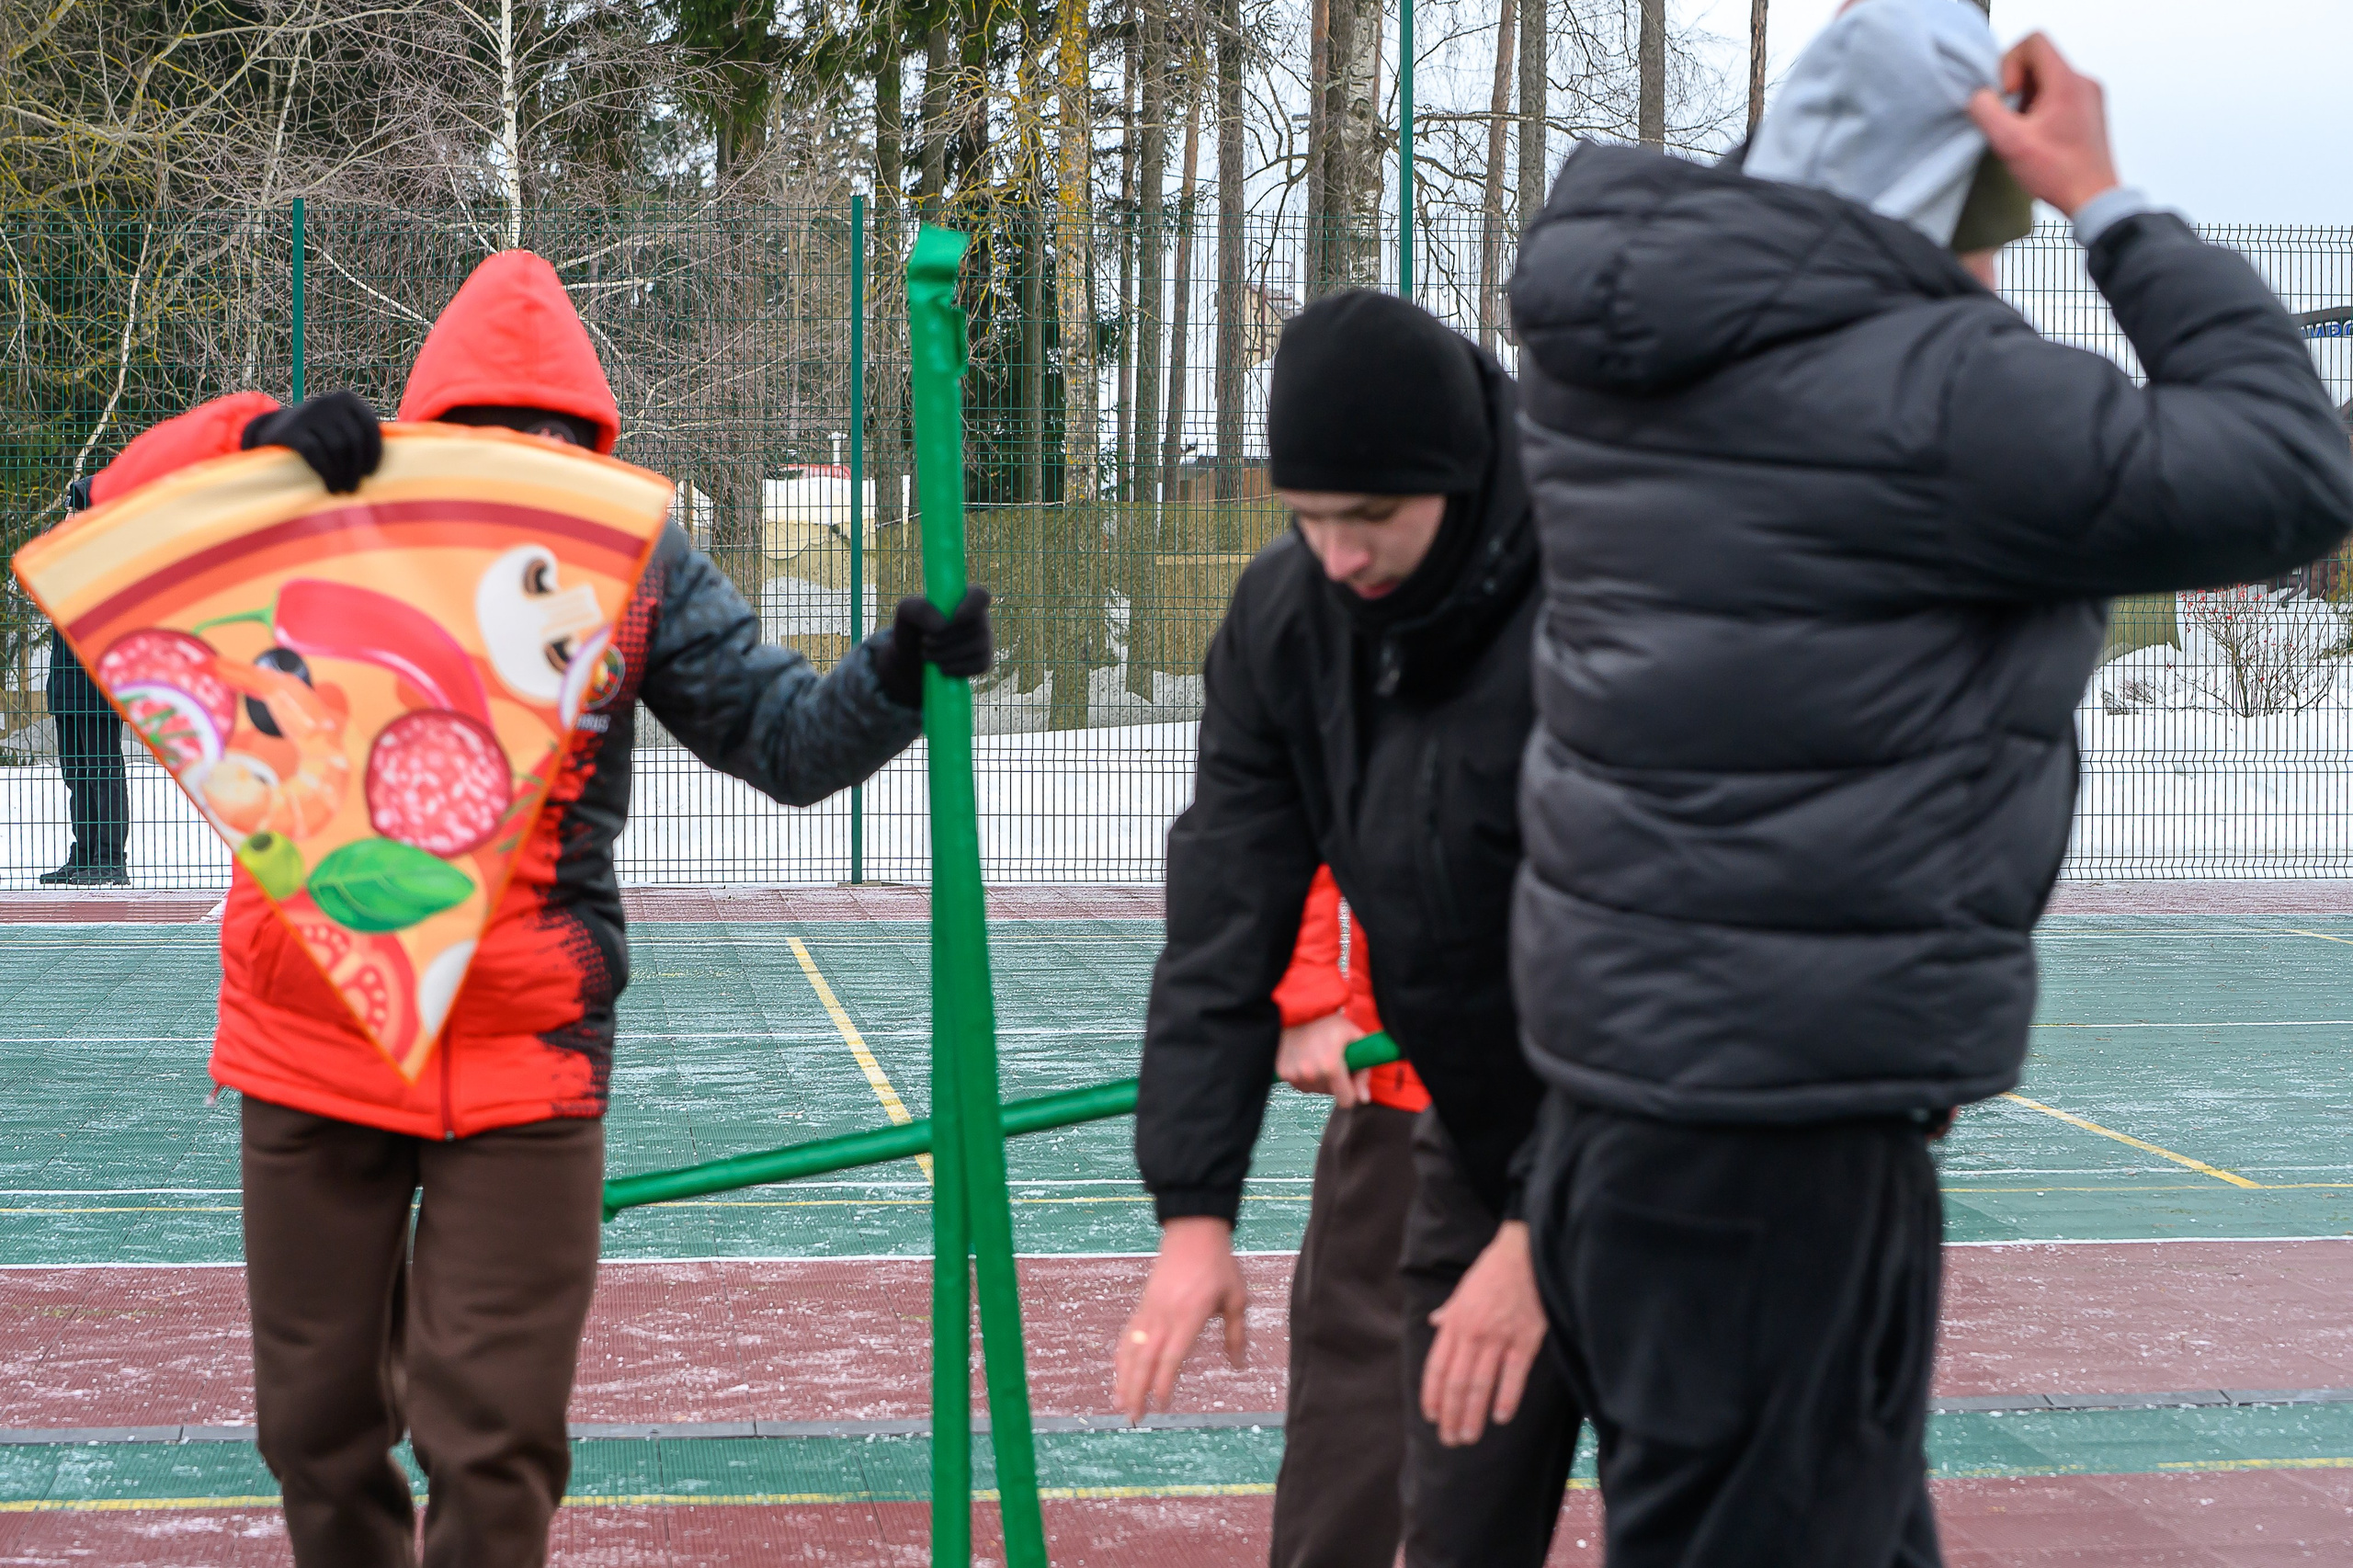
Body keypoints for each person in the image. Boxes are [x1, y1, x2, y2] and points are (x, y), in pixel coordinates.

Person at [1505, 4, 2353, 1563]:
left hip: (1627, 1107)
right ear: (1953, 188)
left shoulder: (1614, 365)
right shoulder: (1930, 393)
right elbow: (2289, 471)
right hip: (1782, 1133)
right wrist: (2109, 197)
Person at [85, 249, 992, 1568]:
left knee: (496, 1438)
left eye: (554, 445)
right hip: (314, 1039)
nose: (526, 464)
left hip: (526, 1056)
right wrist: (256, 439)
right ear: (430, 436)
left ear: (592, 443)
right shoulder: (327, 500)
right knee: (316, 1429)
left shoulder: (628, 548)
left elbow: (786, 742)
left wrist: (897, 668)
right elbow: (114, 510)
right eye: (495, 441)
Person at [1116, 289, 1582, 1568]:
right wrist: (1194, 1213)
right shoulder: (1289, 621)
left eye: (1371, 518)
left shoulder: (1603, 603)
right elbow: (1223, 911)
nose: (1338, 554)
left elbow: (1672, 953)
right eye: (1308, 518)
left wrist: (1545, 1231)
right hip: (1478, 1135)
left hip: (1684, 1155)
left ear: (1463, 479)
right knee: (1441, 1517)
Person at [40, 475, 131, 885]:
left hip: (96, 686)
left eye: (75, 507)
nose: (69, 516)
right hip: (67, 684)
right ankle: (85, 854)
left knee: (102, 769)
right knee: (77, 774)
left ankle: (110, 859)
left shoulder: (109, 560)